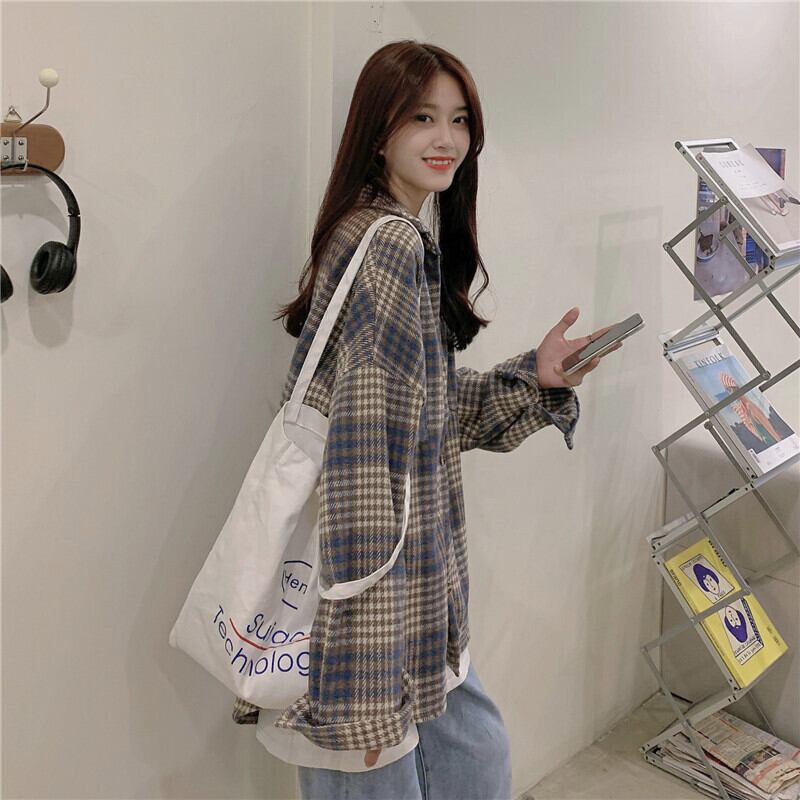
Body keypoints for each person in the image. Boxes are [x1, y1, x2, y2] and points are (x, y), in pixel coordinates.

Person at [231, 39, 622, 799]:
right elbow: (362, 462)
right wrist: (364, 676)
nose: (447, 139)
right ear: (379, 131)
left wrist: (534, 379)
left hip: (418, 600)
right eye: (422, 118)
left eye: (459, 120)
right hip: (374, 614)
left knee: (476, 756)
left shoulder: (391, 233)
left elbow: (422, 420)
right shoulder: (387, 246)